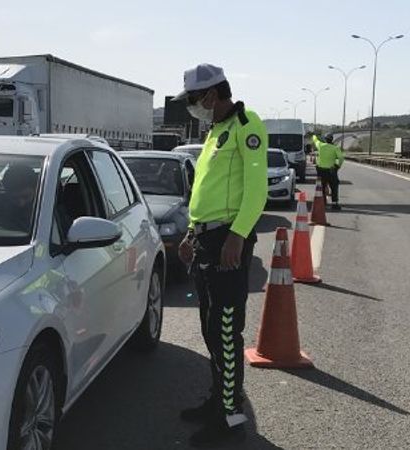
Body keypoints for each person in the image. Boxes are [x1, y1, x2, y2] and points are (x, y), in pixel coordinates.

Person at [174, 63, 268, 447]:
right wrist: (191, 233)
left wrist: (238, 237)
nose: (191, 107)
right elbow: (207, 192)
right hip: (206, 241)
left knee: (226, 333)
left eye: (193, 100)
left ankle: (230, 420)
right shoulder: (216, 131)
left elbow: (256, 188)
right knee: (211, 331)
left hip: (229, 242)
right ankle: (218, 402)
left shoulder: (247, 126)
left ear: (211, 95)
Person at [1, 164, 39, 231]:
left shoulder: (49, 210)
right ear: (7, 195)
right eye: (14, 198)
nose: (21, 203)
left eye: (26, 197)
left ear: (36, 190)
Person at [312, 133, 345, 210]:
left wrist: (314, 135)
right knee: (334, 187)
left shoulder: (320, 145)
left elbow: (315, 140)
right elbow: (341, 158)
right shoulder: (335, 148)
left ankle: (322, 203)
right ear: (332, 140)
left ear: (325, 139)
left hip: (321, 171)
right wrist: (337, 166)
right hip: (331, 171)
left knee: (321, 187)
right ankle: (334, 204)